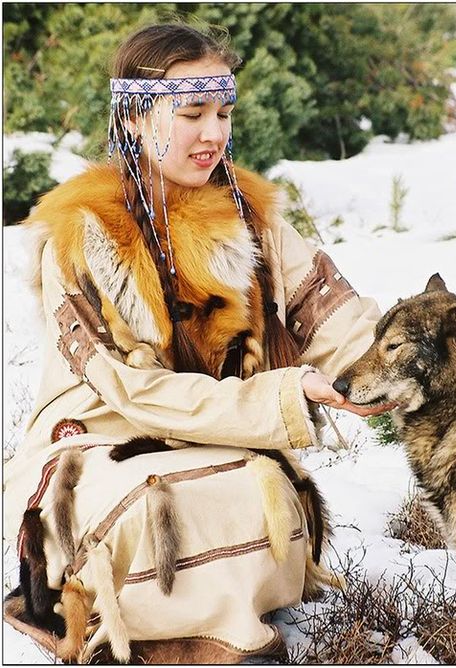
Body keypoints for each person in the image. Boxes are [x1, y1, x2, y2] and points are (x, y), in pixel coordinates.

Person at [4, 22, 391, 665]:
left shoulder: (250, 212)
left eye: (223, 111)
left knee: (254, 488)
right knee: (170, 509)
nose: (213, 133)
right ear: (134, 117)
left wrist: (415, 355)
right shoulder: (84, 233)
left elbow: (337, 320)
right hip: (99, 442)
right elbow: (130, 391)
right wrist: (288, 395)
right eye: (191, 112)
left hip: (220, 439)